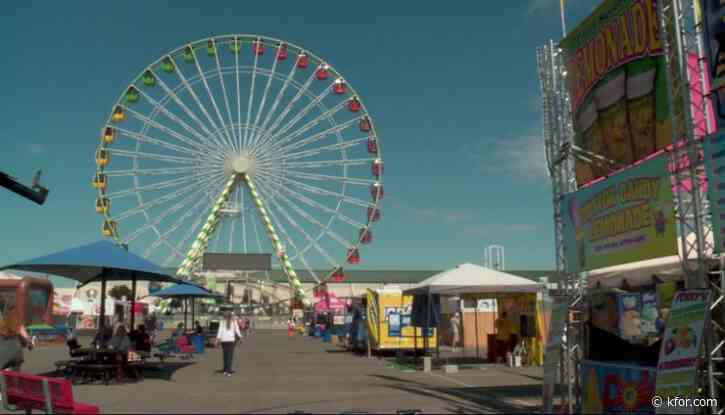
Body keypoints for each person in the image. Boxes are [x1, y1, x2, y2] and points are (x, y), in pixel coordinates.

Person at [0, 302, 32, 371]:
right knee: (16, 373)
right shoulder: (17, 325)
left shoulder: (3, 323)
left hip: (3, 355)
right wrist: (29, 343)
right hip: (17, 354)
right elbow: (28, 342)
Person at [215, 311, 241, 377]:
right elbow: (237, 330)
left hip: (223, 340)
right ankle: (228, 370)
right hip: (231, 340)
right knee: (230, 356)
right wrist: (240, 337)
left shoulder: (222, 322)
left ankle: (225, 369)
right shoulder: (234, 322)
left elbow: (219, 331)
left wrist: (217, 339)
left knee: (225, 355)